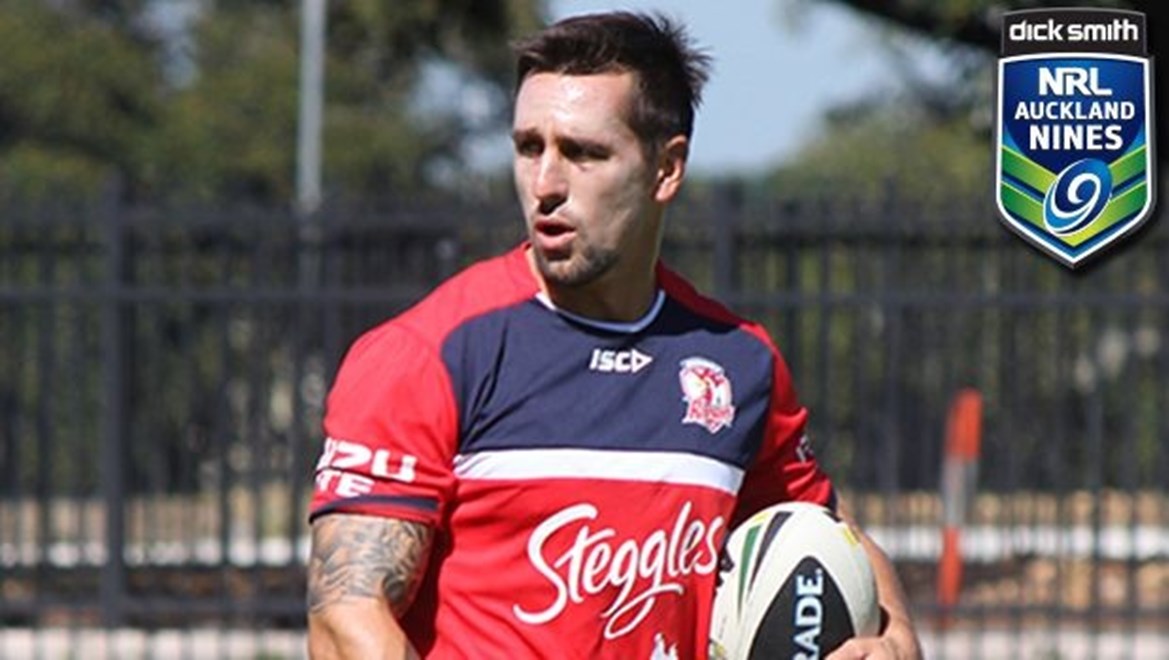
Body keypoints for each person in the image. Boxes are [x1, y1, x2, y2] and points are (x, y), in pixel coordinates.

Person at [306, 11, 921, 660]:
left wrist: (896, 637)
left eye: (583, 153)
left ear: (666, 168)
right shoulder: (430, 354)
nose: (545, 185)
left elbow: (821, 530)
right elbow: (346, 618)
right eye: (529, 148)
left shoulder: (737, 363)